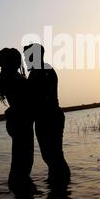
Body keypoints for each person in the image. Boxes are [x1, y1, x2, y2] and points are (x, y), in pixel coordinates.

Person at [23, 43, 70, 184]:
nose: (25, 60)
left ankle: (62, 186)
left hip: (50, 118)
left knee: (53, 156)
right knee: (50, 156)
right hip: (46, 118)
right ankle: (58, 185)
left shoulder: (43, 71)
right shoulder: (38, 71)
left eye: (27, 56)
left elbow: (41, 97)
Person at [0, 48, 34, 189]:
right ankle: (21, 189)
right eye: (17, 59)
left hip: (17, 121)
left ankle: (20, 192)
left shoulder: (6, 77)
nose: (20, 62)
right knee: (23, 160)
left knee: (20, 159)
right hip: (20, 122)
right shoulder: (13, 78)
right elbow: (24, 100)